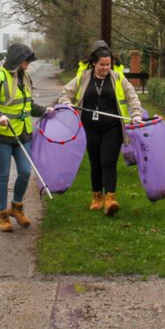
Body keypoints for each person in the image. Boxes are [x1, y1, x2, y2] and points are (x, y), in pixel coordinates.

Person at [58, 41, 143, 216]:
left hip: (112, 128)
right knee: (95, 163)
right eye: (102, 65)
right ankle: (96, 196)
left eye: (108, 65)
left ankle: (111, 198)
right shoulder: (84, 77)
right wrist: (67, 104)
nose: (106, 68)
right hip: (90, 127)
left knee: (108, 162)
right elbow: (65, 92)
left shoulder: (117, 78)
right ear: (94, 63)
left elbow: (132, 96)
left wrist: (136, 114)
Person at [0, 42, 47, 232]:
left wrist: (45, 111)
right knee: (3, 175)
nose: (28, 63)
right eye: (26, 60)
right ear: (17, 60)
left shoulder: (26, 77)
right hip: (0, 134)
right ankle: (3, 215)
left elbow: (29, 105)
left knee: (25, 171)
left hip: (22, 133)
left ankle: (16, 207)